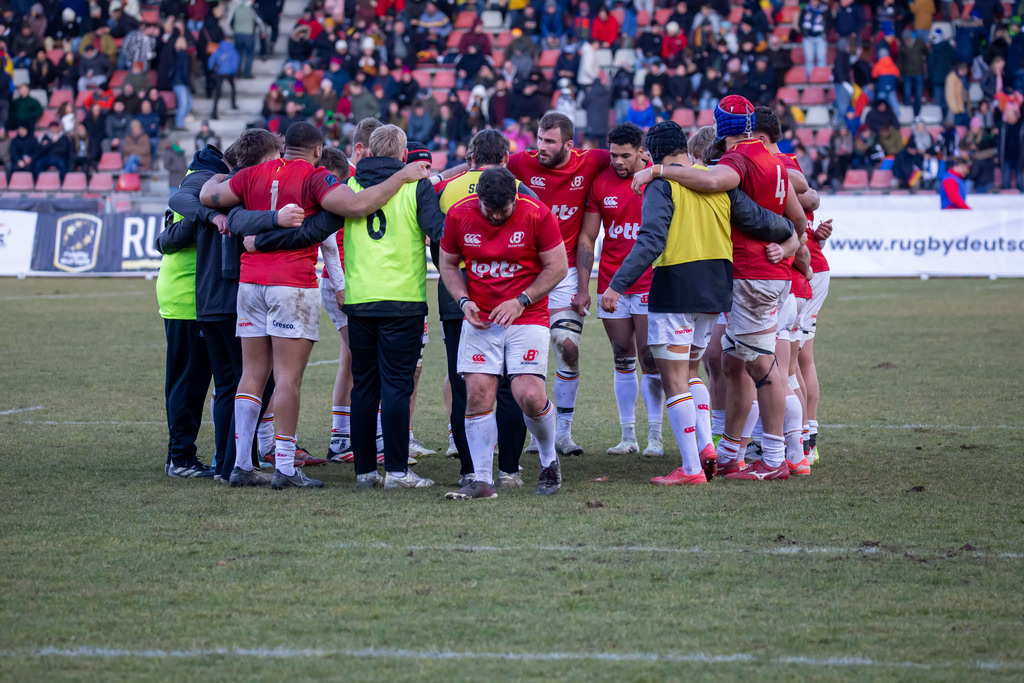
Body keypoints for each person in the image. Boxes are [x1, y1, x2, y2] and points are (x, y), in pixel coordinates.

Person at [199, 122, 429, 489]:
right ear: (318, 150)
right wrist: (401, 176)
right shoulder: (313, 176)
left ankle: (241, 463)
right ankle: (286, 468)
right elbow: (356, 205)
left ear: (283, 146)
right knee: (287, 378)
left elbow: (209, 196)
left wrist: (212, 183)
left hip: (249, 284)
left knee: (252, 374)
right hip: (291, 284)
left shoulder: (252, 174)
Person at [604, 120, 794, 485]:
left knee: (673, 379)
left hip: (677, 284)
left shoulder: (662, 184)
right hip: (716, 289)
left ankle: (691, 469)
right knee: (691, 372)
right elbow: (761, 219)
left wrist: (616, 286)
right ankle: (707, 447)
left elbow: (650, 240)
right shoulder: (715, 179)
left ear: (654, 154)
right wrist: (788, 235)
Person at [439, 167, 569, 500]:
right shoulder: (459, 214)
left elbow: (557, 266)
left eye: (504, 210)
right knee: (478, 393)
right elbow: (449, 264)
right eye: (489, 210)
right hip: (481, 320)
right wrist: (463, 300)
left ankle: (549, 461)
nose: (496, 216)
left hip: (527, 316)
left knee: (528, 394)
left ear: (516, 197)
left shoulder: (537, 213)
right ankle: (482, 480)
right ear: (478, 198)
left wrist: (521, 300)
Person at [340, 124, 444, 490]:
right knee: (397, 388)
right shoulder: (416, 186)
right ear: (403, 156)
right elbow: (440, 233)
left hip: (360, 301)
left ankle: (365, 471)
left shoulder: (351, 187)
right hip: (403, 301)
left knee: (364, 388)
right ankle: (398, 472)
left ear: (367, 152)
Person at [503, 112, 612, 456]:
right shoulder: (521, 163)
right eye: (539, 139)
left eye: (550, 142)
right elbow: (482, 168)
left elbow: (629, 153)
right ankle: (535, 432)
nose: (541, 147)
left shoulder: (592, 161)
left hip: (563, 274)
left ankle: (563, 433)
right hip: (525, 274)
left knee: (568, 347)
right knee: (522, 360)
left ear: (569, 144)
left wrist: (652, 164)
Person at [434, 129, 537, 488]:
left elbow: (438, 241)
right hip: (509, 300)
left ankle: (469, 470)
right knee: (509, 384)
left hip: (457, 300)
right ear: (506, 159)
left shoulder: (447, 188)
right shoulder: (520, 190)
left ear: (470, 158)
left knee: (466, 385)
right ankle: (509, 468)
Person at [574, 122, 664, 457]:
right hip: (612, 283)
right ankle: (628, 436)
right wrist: (585, 286)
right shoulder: (601, 183)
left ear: (642, 152)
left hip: (649, 282)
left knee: (650, 358)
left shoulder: (658, 181)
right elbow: (588, 237)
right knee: (622, 356)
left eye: (625, 155)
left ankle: (655, 436)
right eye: (613, 155)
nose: (618, 162)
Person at [208, 36, 239, 120]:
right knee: (233, 88)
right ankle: (233, 104)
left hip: (219, 73)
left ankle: (214, 112)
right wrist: (235, 74)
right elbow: (235, 65)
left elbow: (211, 60)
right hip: (229, 73)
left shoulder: (218, 49)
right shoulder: (233, 51)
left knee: (218, 92)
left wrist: (211, 69)